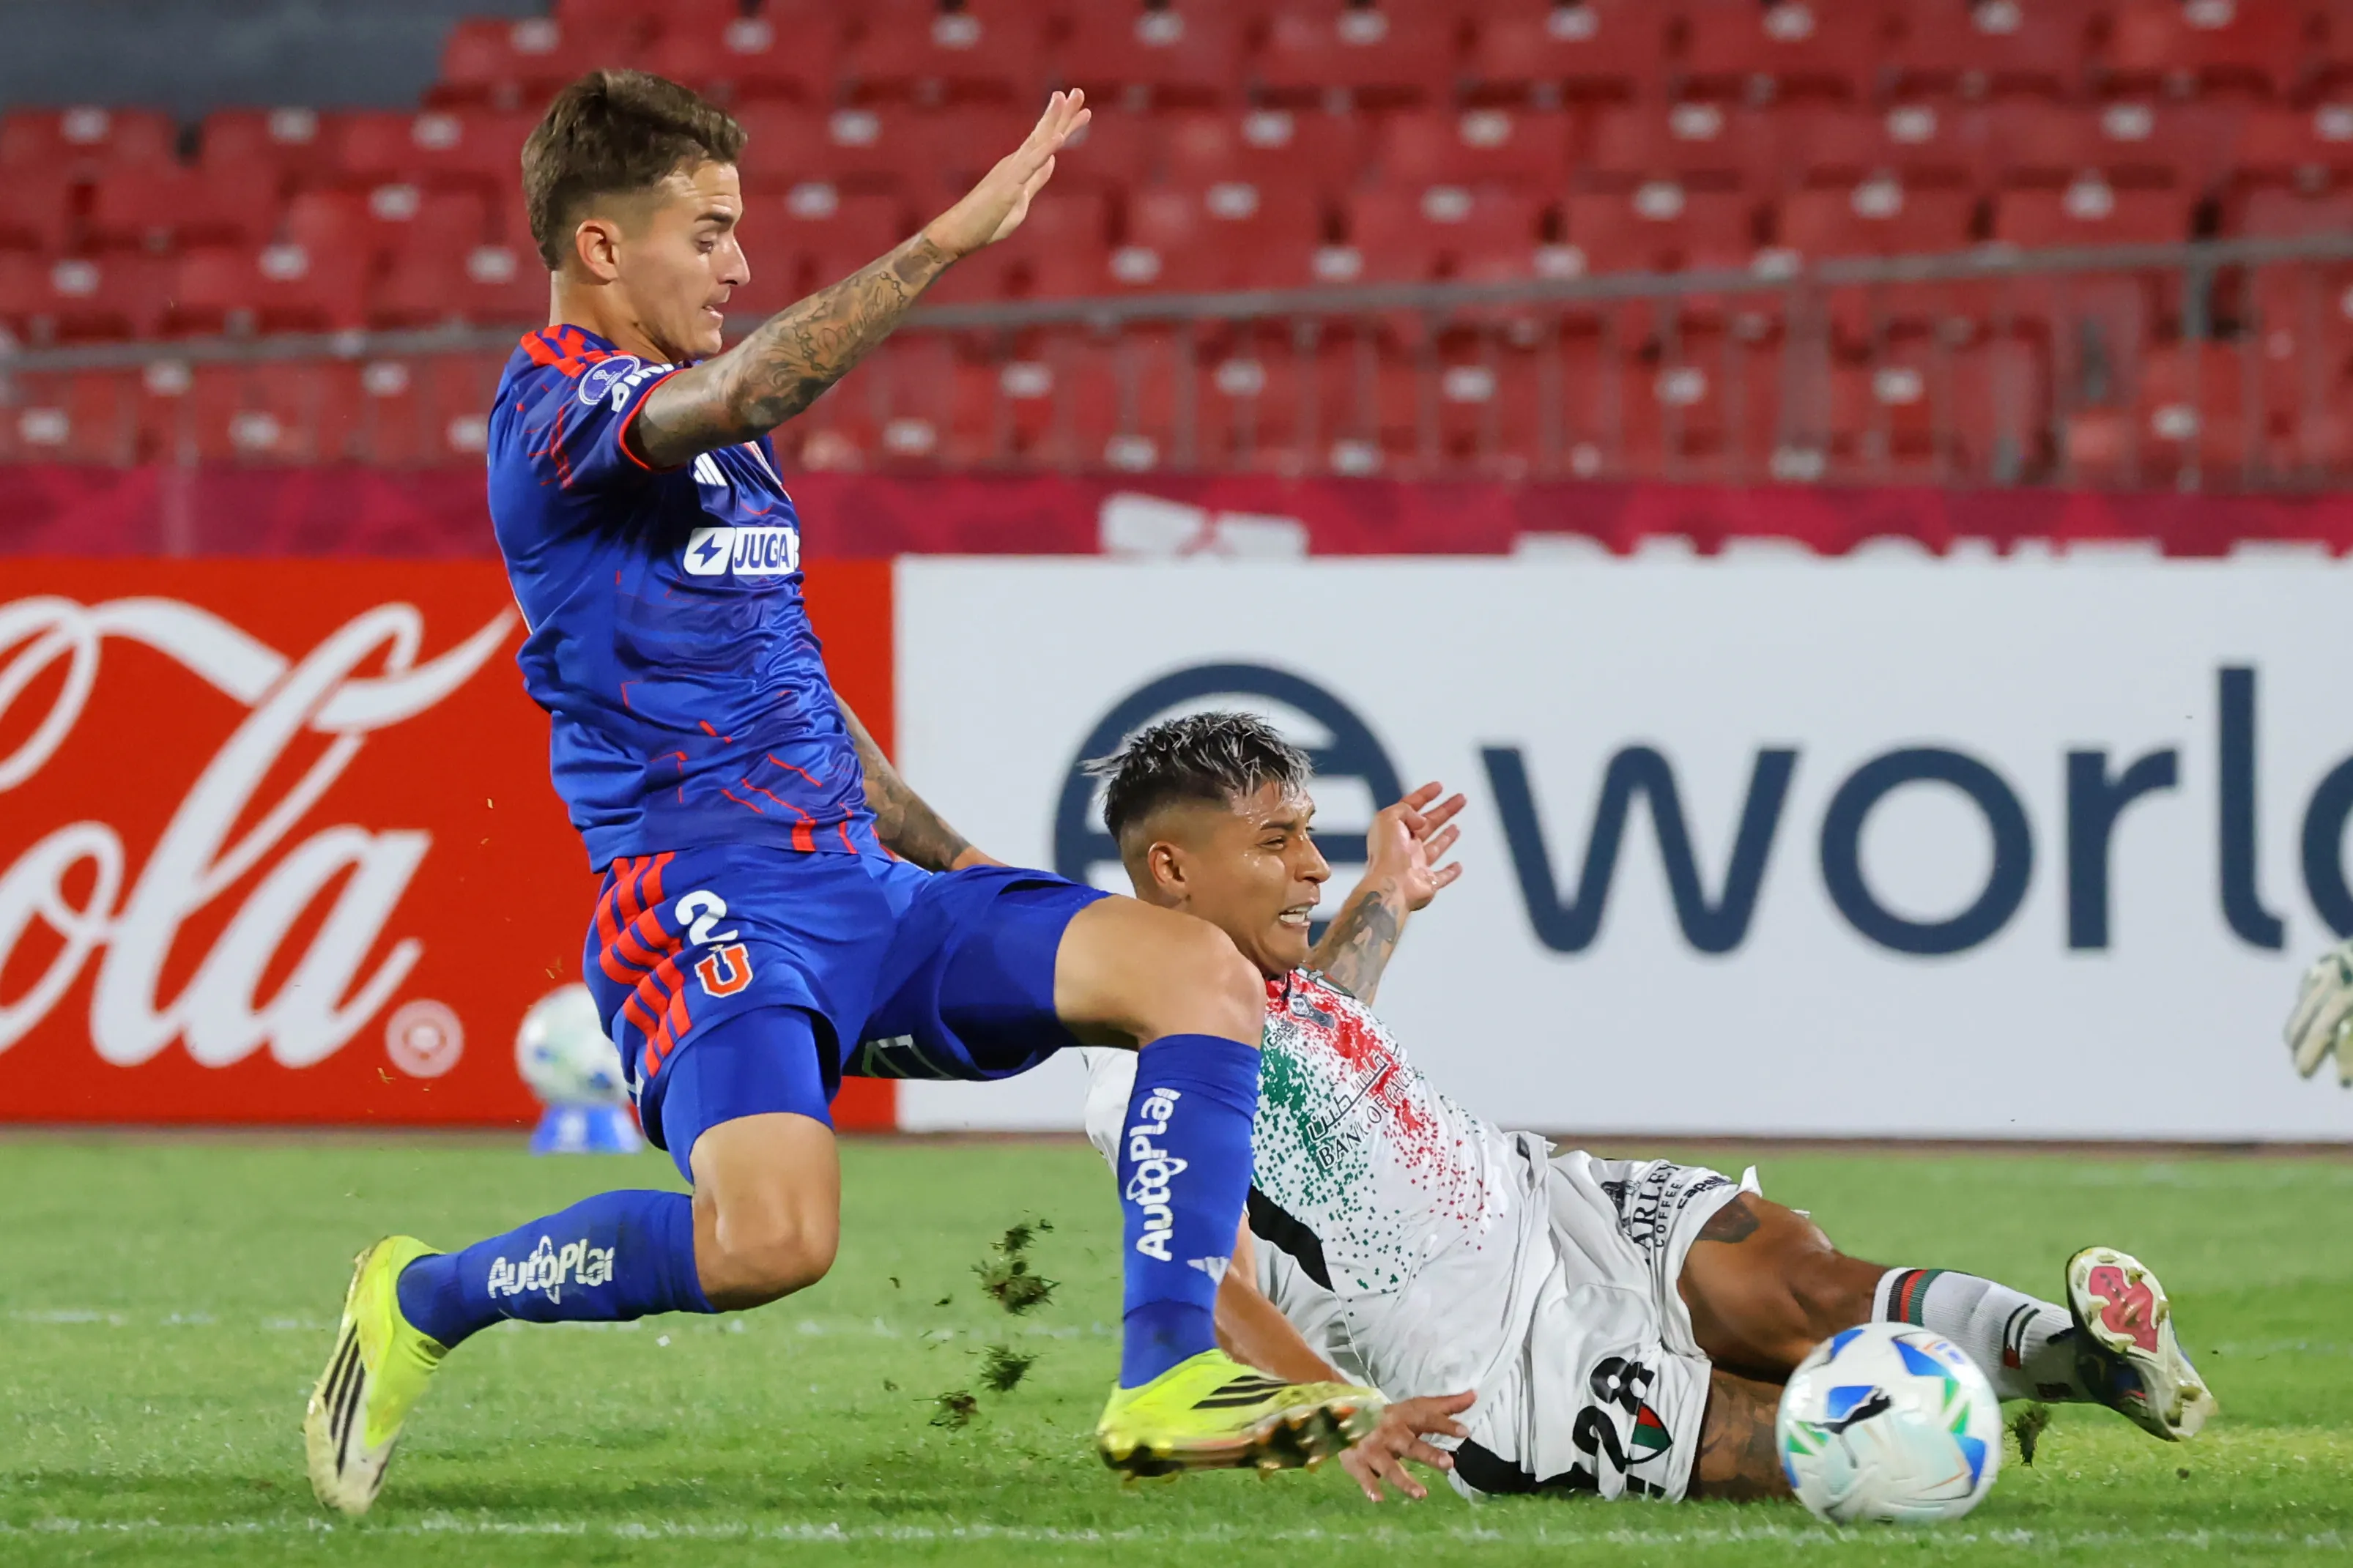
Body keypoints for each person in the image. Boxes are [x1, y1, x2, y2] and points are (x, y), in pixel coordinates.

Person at [303, 73, 1379, 1517]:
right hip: (704, 897)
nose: (738, 263)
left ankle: (1167, 1372)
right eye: (710, 232)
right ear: (603, 246)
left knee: (1195, 969)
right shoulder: (553, 410)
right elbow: (754, 382)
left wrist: (955, 859)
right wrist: (946, 241)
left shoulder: (725, 447)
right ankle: (424, 1293)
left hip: (865, 892)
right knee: (770, 1245)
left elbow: (789, 676)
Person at [1077, 713, 2217, 1504]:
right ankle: (1938, 1443)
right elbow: (1208, 1276)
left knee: (1802, 1279)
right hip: (1495, 1361)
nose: (1314, 868)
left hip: (1556, 1207)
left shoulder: (1256, 985)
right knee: (1833, 1448)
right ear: (1172, 871)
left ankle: (2082, 1358)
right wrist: (1342, 1411)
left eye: (1309, 836)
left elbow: (1319, 1043)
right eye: (1276, 843)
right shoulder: (1148, 1064)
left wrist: (1391, 894)